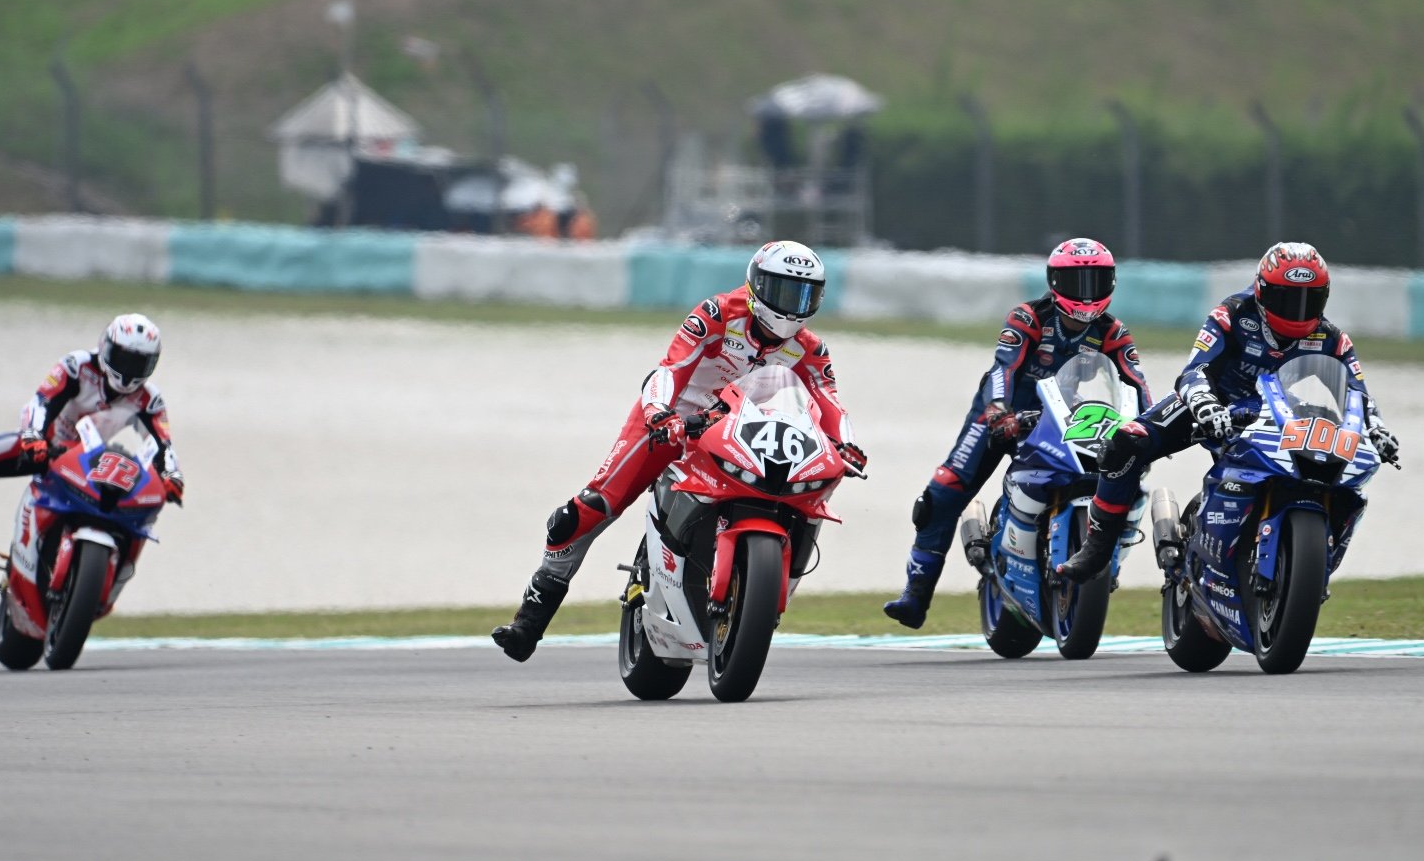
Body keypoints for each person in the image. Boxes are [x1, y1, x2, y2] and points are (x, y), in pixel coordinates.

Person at [492, 240, 866, 662]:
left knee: (802, 493)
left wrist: (848, 444)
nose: (791, 306)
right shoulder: (717, 314)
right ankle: (530, 620)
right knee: (589, 508)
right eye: (782, 291)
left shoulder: (810, 348)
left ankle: (754, 593)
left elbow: (830, 403)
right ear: (757, 285)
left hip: (742, 433)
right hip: (676, 422)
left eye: (803, 295)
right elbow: (670, 368)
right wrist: (659, 412)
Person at [1057, 242, 1400, 582]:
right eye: (1286, 299)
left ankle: (1306, 555)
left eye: (1308, 300)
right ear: (1262, 291)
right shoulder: (1232, 314)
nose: (1297, 311)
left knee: (1330, 471)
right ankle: (1097, 548)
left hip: (1279, 416)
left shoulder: (1332, 338)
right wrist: (1205, 403)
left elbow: (1357, 393)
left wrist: (1376, 428)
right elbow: (1195, 370)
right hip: (1214, 403)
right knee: (1125, 443)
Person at [884, 237, 1150, 629]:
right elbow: (1003, 368)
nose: (1086, 293)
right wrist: (998, 409)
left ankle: (1104, 565)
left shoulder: (1113, 331)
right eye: (1076, 282)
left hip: (1064, 415)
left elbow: (1136, 384)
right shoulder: (1028, 318)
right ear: (1054, 282)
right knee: (942, 492)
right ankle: (916, 594)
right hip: (1004, 415)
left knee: (1121, 478)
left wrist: (1148, 427)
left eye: (1095, 281)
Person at [0, 314, 184, 568]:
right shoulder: (77, 366)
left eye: (139, 363)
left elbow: (163, 444)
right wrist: (34, 436)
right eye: (122, 358)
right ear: (105, 346)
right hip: (42, 449)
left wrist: (171, 476)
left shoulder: (149, 399)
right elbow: (42, 402)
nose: (128, 370)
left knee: (134, 502)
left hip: (87, 467)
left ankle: (105, 566)